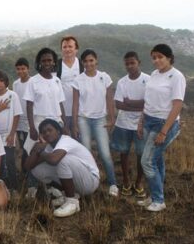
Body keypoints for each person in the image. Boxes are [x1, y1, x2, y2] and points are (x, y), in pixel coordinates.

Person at [137, 44, 185, 212]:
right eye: (154, 57)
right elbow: (148, 99)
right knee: (156, 160)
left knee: (147, 161)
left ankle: (159, 200)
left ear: (169, 57)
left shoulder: (176, 76)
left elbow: (177, 105)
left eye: (160, 57)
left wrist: (164, 131)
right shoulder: (154, 74)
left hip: (163, 123)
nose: (156, 60)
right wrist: (141, 121)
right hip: (149, 120)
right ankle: (155, 196)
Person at [23, 119, 100, 217]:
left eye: (49, 130)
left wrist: (40, 152)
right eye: (43, 132)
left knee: (62, 160)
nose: (47, 133)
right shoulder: (48, 146)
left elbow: (54, 160)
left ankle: (72, 202)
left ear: (58, 131)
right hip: (79, 183)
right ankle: (68, 194)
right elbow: (28, 166)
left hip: (90, 181)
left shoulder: (65, 140)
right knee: (37, 169)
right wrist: (35, 150)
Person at [71, 49, 118, 196]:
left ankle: (113, 184)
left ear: (96, 61)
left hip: (100, 120)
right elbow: (75, 104)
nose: (89, 63)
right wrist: (74, 124)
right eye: (85, 61)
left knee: (105, 153)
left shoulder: (104, 77)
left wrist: (112, 119)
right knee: (86, 153)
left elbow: (109, 100)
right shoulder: (78, 80)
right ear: (82, 63)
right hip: (83, 119)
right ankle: (87, 182)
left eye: (91, 60)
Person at [22, 49, 66, 197]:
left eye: (50, 60)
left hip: (56, 122)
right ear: (39, 62)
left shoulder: (56, 80)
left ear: (54, 62)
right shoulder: (33, 81)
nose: (47, 63)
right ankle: (32, 187)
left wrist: (65, 125)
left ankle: (53, 185)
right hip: (39, 122)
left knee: (54, 155)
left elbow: (60, 104)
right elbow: (29, 105)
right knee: (33, 153)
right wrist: (32, 127)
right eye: (44, 61)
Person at [111, 51, 150, 198]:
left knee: (141, 154)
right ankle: (126, 181)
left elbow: (149, 103)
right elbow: (119, 104)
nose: (130, 66)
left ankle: (138, 182)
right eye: (127, 63)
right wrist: (139, 105)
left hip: (142, 123)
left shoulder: (148, 80)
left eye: (132, 62)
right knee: (124, 152)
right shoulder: (122, 82)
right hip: (123, 123)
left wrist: (130, 102)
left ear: (139, 62)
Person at [0, 71, 22, 193]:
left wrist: (12, 134)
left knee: (10, 160)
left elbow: (17, 115)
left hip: (9, 134)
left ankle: (14, 188)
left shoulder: (13, 95)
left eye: (2, 81)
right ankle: (2, 187)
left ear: (6, 82)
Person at [11, 57, 34, 195]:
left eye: (23, 68)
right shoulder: (15, 84)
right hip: (18, 119)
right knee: (19, 149)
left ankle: (28, 175)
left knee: (27, 149)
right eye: (18, 69)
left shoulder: (33, 82)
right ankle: (24, 175)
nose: (21, 71)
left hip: (30, 121)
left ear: (28, 69)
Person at [56, 36, 83, 135]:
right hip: (62, 113)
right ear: (61, 49)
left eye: (70, 46)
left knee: (79, 141)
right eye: (65, 47)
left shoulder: (82, 65)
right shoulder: (57, 66)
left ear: (76, 49)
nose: (67, 49)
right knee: (64, 141)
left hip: (80, 112)